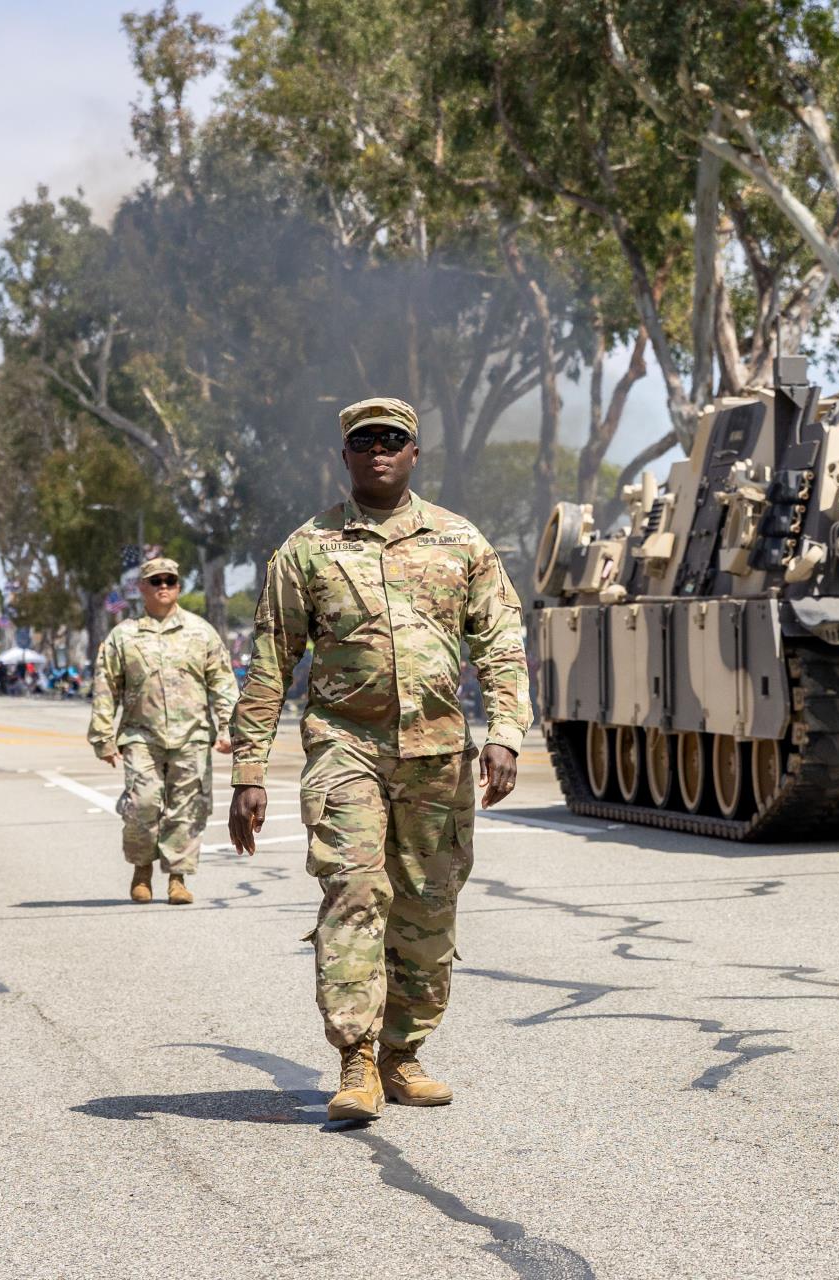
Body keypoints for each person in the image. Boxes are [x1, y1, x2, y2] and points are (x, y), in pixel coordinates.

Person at [228, 396, 532, 1123]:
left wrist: (506, 732)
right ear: (345, 456)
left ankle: (403, 1053)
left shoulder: (462, 543)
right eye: (364, 441)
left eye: (392, 439)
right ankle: (356, 1059)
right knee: (355, 893)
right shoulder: (307, 549)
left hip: (437, 755)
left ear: (415, 453)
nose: (378, 451)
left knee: (428, 905)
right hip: (345, 745)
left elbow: (500, 642)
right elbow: (271, 659)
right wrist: (247, 769)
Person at [88, 558, 237, 906]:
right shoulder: (123, 636)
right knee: (143, 804)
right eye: (155, 581)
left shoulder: (201, 632)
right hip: (141, 735)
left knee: (187, 808)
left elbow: (223, 684)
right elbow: (105, 687)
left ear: (179, 586)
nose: (163, 586)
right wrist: (102, 736)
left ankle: (177, 877)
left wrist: (229, 728)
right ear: (141, 588)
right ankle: (142, 869)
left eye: (169, 580)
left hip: (193, 734)